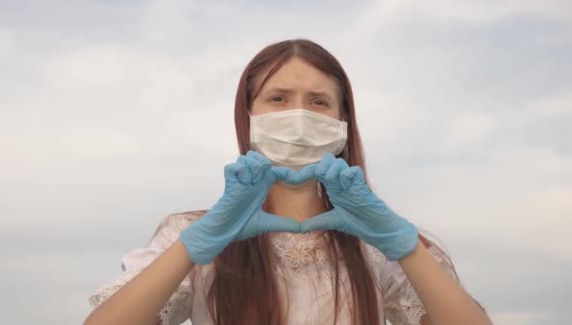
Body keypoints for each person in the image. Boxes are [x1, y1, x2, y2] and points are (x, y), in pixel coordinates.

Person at [84, 39, 492, 325]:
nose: (299, 117)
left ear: (342, 123)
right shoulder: (191, 234)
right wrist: (193, 247)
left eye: (318, 102)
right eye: (278, 98)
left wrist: (406, 246)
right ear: (249, 115)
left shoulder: (376, 243)